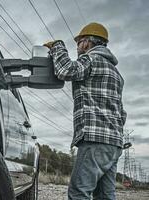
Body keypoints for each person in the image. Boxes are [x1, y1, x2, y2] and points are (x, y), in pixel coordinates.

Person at [44, 22, 127, 200]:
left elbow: (65, 70)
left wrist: (57, 46)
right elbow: (122, 114)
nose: (78, 47)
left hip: (94, 139)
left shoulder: (92, 59)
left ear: (87, 42)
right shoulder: (117, 74)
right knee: (105, 195)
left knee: (78, 193)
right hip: (114, 144)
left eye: (79, 42)